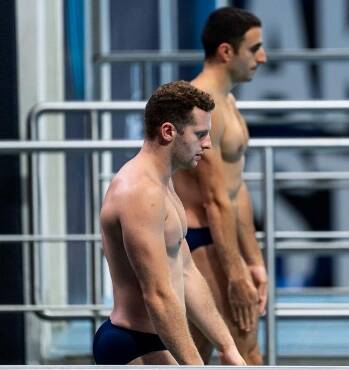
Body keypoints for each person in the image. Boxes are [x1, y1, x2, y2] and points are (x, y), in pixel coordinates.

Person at [93, 80, 245, 366]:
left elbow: (185, 271)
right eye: (200, 134)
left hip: (160, 338)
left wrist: (227, 347)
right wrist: (194, 365)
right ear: (168, 132)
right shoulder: (139, 192)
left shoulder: (163, 183)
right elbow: (158, 294)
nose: (208, 144)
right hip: (132, 345)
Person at [172, 6, 268, 365]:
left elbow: (235, 188)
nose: (263, 57)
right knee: (246, 354)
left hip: (219, 239)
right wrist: (236, 274)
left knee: (197, 355)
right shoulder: (199, 108)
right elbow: (215, 200)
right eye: (254, 48)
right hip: (201, 241)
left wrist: (254, 261)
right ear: (227, 51)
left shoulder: (226, 99)